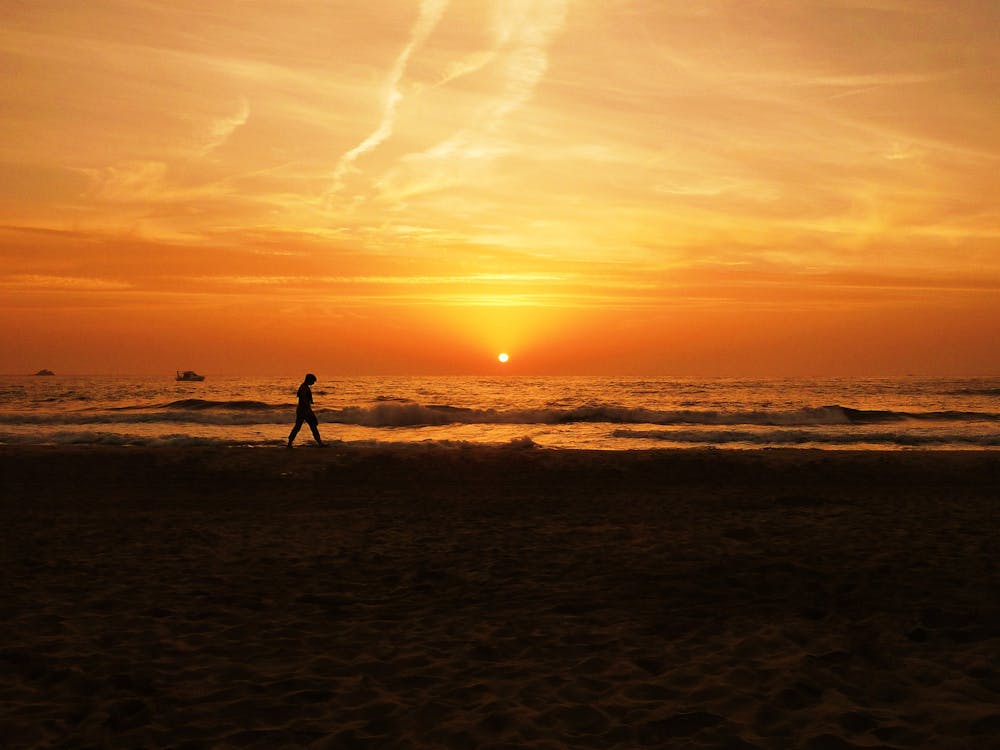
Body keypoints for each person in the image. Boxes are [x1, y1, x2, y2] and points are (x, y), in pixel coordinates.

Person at [288, 373, 323, 447]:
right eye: (313, 381)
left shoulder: (304, 387)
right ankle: (320, 443)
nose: (313, 383)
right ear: (309, 380)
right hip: (304, 411)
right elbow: (304, 401)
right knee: (312, 426)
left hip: (302, 410)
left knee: (298, 427)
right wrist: (309, 412)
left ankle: (290, 442)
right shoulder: (304, 388)